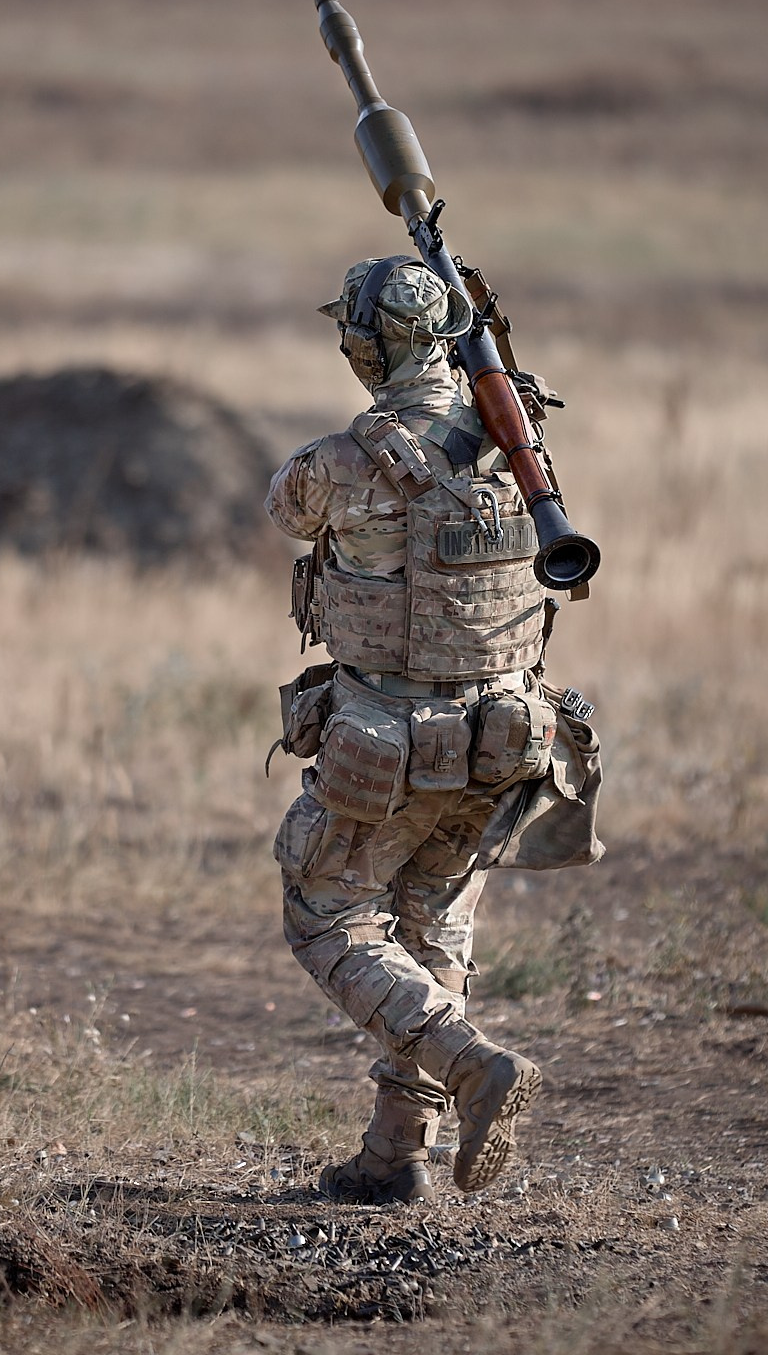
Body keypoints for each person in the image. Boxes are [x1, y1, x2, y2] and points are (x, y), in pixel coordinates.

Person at [266, 256, 603, 1204]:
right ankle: (396, 1155)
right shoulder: (518, 445)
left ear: (367, 349)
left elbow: (284, 507)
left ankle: (472, 1064)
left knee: (325, 913)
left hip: (388, 745)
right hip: (508, 737)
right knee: (434, 927)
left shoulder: (344, 461)